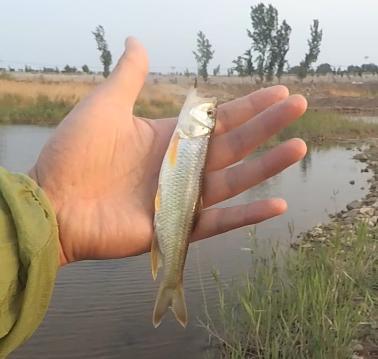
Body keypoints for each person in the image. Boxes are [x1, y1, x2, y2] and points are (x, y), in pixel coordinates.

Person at [0, 38, 307, 357]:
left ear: (202, 123)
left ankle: (172, 283)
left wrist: (45, 211)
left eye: (208, 111)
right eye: (209, 110)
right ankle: (171, 284)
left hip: (171, 209)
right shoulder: (188, 136)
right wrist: (50, 201)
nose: (203, 106)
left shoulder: (190, 138)